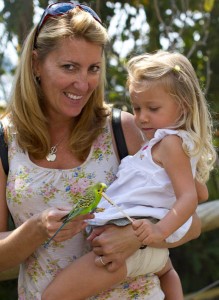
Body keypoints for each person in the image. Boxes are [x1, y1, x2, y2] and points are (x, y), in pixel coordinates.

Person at [0, 2, 206, 299]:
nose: (83, 83)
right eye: (69, 66)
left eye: (93, 68)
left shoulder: (127, 128)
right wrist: (34, 230)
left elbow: (192, 223)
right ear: (35, 64)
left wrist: (135, 239)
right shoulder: (6, 140)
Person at [42, 51, 216, 300]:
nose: (142, 117)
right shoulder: (161, 145)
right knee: (166, 271)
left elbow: (188, 197)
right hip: (141, 242)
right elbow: (200, 192)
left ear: (183, 106)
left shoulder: (170, 144)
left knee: (54, 295)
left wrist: (159, 232)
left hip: (125, 240)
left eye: (153, 108)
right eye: (136, 107)